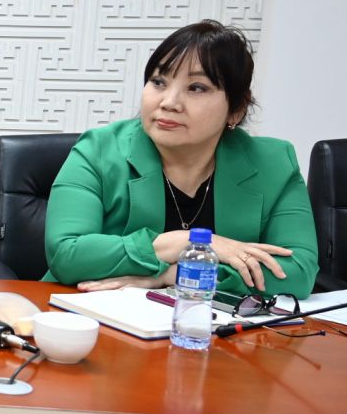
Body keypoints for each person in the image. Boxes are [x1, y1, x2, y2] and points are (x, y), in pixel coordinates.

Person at [45, 20, 317, 297]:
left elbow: (298, 271)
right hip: (91, 312)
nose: (169, 102)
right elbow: (67, 254)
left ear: (236, 109)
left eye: (196, 87)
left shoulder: (273, 163)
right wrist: (182, 242)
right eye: (158, 82)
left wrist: (173, 275)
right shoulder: (99, 149)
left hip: (209, 321)